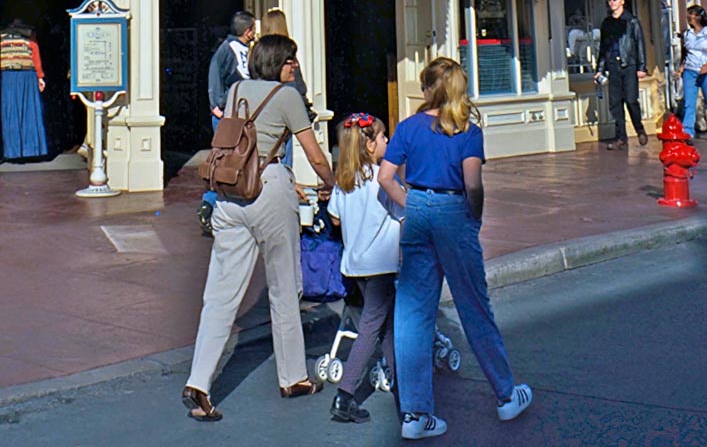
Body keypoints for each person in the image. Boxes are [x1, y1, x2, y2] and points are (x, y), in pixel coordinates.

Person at [183, 33, 335, 422]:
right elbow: (313, 153)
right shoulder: (287, 97)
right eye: (290, 60)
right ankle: (293, 377)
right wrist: (332, 185)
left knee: (220, 294)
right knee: (286, 286)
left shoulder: (237, 90)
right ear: (276, 62)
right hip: (269, 190)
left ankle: (199, 383)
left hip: (232, 193)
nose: (294, 66)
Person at [378, 57, 532, 440]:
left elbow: (385, 176)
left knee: (413, 311)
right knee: (473, 305)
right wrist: (473, 217)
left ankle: (415, 414)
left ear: (428, 87)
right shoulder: (467, 130)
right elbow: (473, 184)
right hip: (453, 210)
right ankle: (505, 393)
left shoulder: (409, 127)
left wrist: (409, 202)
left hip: (418, 209)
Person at [326, 112, 402, 425]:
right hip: (381, 263)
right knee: (372, 326)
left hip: (355, 265)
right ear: (369, 145)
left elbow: (334, 218)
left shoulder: (345, 182)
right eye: (383, 137)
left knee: (386, 325)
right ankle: (345, 394)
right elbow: (403, 211)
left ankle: (403, 382)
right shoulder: (382, 182)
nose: (387, 140)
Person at [198, 11, 256, 236]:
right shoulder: (226, 49)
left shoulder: (244, 49)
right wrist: (216, 106)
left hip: (239, 111)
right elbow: (215, 74)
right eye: (252, 29)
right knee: (225, 158)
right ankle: (210, 204)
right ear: (246, 31)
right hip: (226, 113)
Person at [595, 0, 648, 150]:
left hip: (629, 64)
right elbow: (603, 48)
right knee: (615, 103)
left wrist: (641, 67)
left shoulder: (631, 21)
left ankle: (639, 129)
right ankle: (621, 137)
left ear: (622, 1)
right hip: (613, 66)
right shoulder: (607, 23)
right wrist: (600, 69)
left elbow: (639, 44)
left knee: (631, 100)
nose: (612, 2)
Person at [262, 8, 316, 165]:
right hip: (284, 110)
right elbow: (296, 85)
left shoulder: (258, 52)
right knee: (284, 154)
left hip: (263, 111)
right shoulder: (286, 53)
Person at [0, 19, 47, 160]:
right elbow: (35, 54)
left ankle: (13, 152)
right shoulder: (30, 33)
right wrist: (40, 76)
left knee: (11, 113)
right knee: (29, 111)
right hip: (27, 75)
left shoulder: (1, 34)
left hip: (8, 76)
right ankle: (31, 150)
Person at [679, 4, 707, 139]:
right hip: (690, 71)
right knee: (689, 102)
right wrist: (682, 66)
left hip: (705, 71)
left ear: (700, 17)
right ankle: (688, 131)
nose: (690, 17)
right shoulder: (687, 34)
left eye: (693, 14)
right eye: (689, 14)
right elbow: (686, 51)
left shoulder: (706, 32)